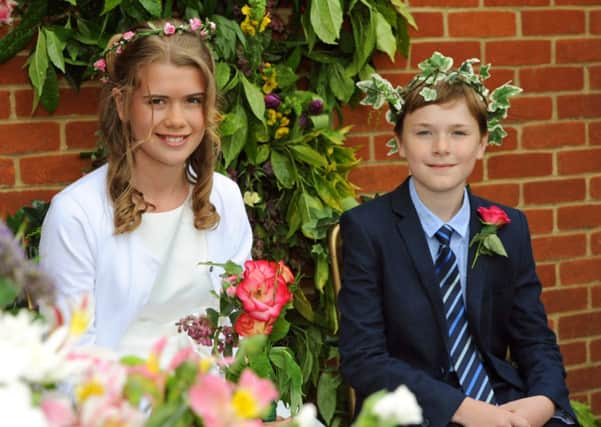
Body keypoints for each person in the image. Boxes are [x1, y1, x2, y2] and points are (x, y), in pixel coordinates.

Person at [338, 52, 577, 427]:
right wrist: (464, 410)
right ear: (399, 142)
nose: (442, 148)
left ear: (483, 143)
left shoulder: (508, 226)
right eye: (423, 132)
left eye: (459, 133)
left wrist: (543, 402)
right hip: (411, 409)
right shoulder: (367, 229)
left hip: (502, 400)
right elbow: (364, 359)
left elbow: (534, 339)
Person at [39, 19, 252, 359]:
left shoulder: (223, 197)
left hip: (218, 396)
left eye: (193, 100)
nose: (177, 120)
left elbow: (240, 325)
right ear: (122, 104)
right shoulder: (76, 214)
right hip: (117, 401)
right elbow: (70, 358)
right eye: (157, 102)